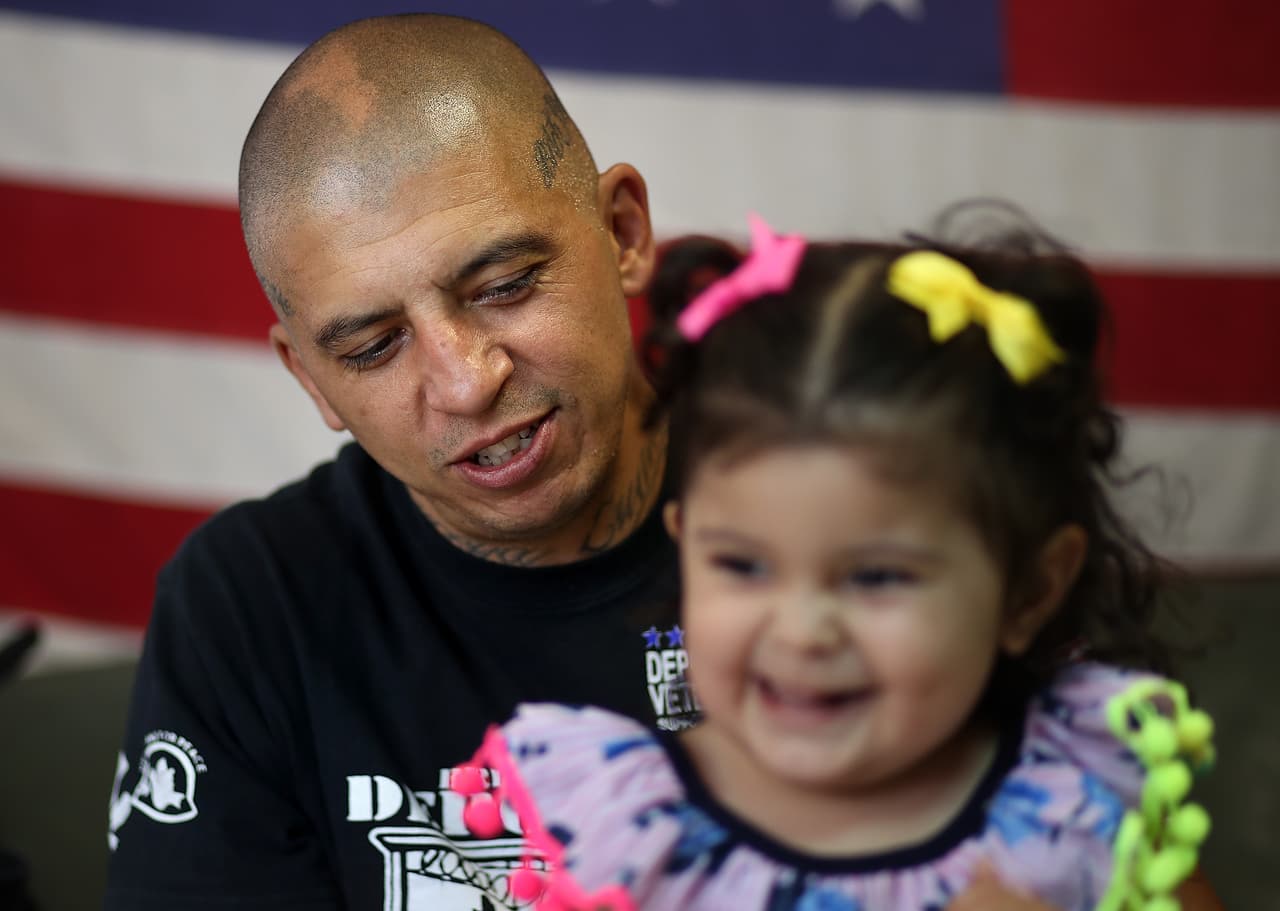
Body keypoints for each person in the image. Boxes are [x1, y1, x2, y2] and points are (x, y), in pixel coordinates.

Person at [102, 11, 1194, 911]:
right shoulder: (249, 603)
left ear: (622, 230)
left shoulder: (846, 476)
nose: (465, 376)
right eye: (373, 344)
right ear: (310, 378)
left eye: (502, 283)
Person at [448, 213, 1220, 910]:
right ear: (684, 546)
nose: (804, 631)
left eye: (877, 576)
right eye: (744, 566)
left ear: (1030, 590)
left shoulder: (1078, 816)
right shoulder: (606, 836)